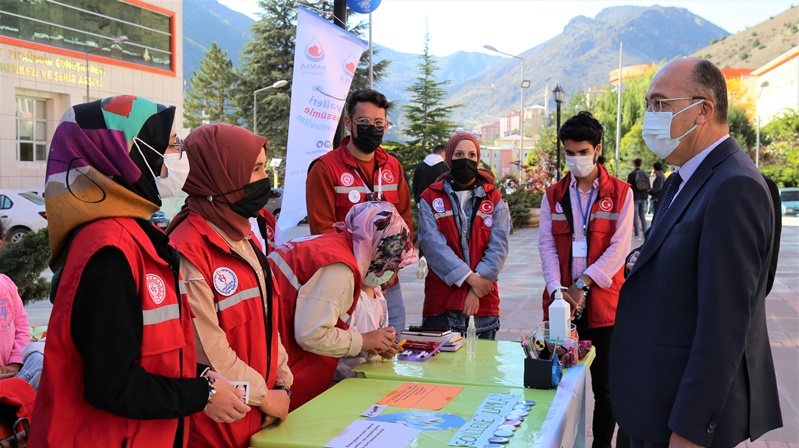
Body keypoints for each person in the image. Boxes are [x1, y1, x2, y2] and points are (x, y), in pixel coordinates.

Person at [29, 96, 249, 448]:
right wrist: (202, 392)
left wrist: (200, 377)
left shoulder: (134, 237)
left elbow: (140, 352)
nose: (179, 155)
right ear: (123, 153)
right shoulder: (109, 251)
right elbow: (111, 384)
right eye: (172, 144)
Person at [610, 58, 782, 448]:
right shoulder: (684, 179)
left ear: (703, 110)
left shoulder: (734, 186)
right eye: (648, 106)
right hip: (650, 401)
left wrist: (690, 429)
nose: (649, 116)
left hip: (677, 419)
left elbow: (725, 325)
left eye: (659, 104)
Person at [168, 123, 293, 447]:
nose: (264, 180)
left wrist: (282, 381)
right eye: (255, 169)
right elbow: (209, 351)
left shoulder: (244, 235)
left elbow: (268, 322)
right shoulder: (188, 249)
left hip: (259, 418)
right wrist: (266, 397)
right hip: (218, 427)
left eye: (264, 167)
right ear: (221, 175)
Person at [538, 111, 633, 448]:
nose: (575, 159)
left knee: (605, 389)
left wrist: (583, 284)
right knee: (559, 383)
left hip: (604, 306)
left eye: (582, 152)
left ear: (597, 149)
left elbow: (620, 248)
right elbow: (547, 244)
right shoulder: (553, 195)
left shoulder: (621, 193)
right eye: (570, 153)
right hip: (562, 307)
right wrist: (558, 291)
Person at [268, 201, 415, 410]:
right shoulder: (340, 267)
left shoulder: (333, 243)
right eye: (387, 262)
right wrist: (364, 340)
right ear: (375, 247)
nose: (386, 274)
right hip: (280, 366)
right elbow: (312, 334)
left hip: (270, 349)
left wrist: (372, 343)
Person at [306, 89, 413, 334]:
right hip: (346, 289)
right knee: (353, 362)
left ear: (386, 126)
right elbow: (323, 234)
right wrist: (363, 279)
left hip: (388, 284)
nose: (371, 128)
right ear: (348, 123)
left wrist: (388, 272)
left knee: (392, 354)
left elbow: (405, 221)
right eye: (363, 122)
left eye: (378, 122)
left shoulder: (392, 166)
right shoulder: (325, 169)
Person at [418, 131, 510, 339]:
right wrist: (471, 280)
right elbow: (433, 246)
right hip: (442, 306)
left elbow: (499, 248)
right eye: (459, 154)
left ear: (478, 158)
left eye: (471, 155)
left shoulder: (494, 199)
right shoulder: (430, 197)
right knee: (441, 371)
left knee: (481, 370)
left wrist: (476, 290)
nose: (465, 160)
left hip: (482, 307)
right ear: (449, 157)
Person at [626, 158, 650, 239]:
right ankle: (645, 233)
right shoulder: (645, 174)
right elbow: (648, 186)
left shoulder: (631, 175)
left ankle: (636, 235)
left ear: (634, 164)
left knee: (635, 216)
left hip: (635, 197)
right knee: (643, 215)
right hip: (644, 197)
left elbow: (628, 187)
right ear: (641, 164)